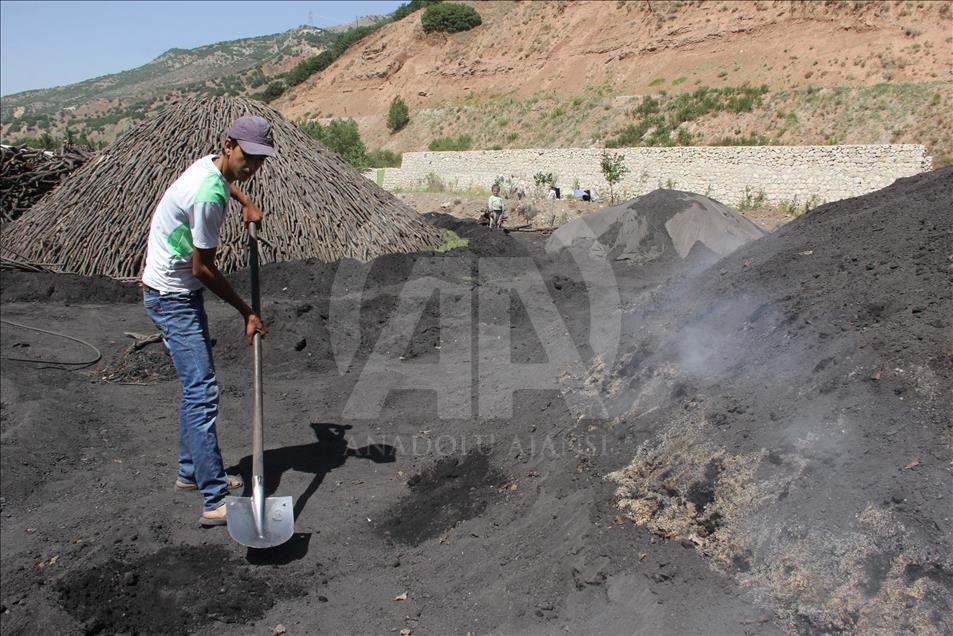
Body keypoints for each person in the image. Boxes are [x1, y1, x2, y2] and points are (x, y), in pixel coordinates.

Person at [141, 115, 276, 527]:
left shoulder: (209, 167)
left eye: (260, 161)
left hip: (173, 290)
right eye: (247, 157)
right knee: (202, 391)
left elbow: (226, 182)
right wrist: (246, 311)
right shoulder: (207, 197)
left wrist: (246, 200)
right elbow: (203, 269)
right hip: (173, 295)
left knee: (196, 386)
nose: (251, 167)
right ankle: (214, 498)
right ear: (229, 145)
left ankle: (190, 472)